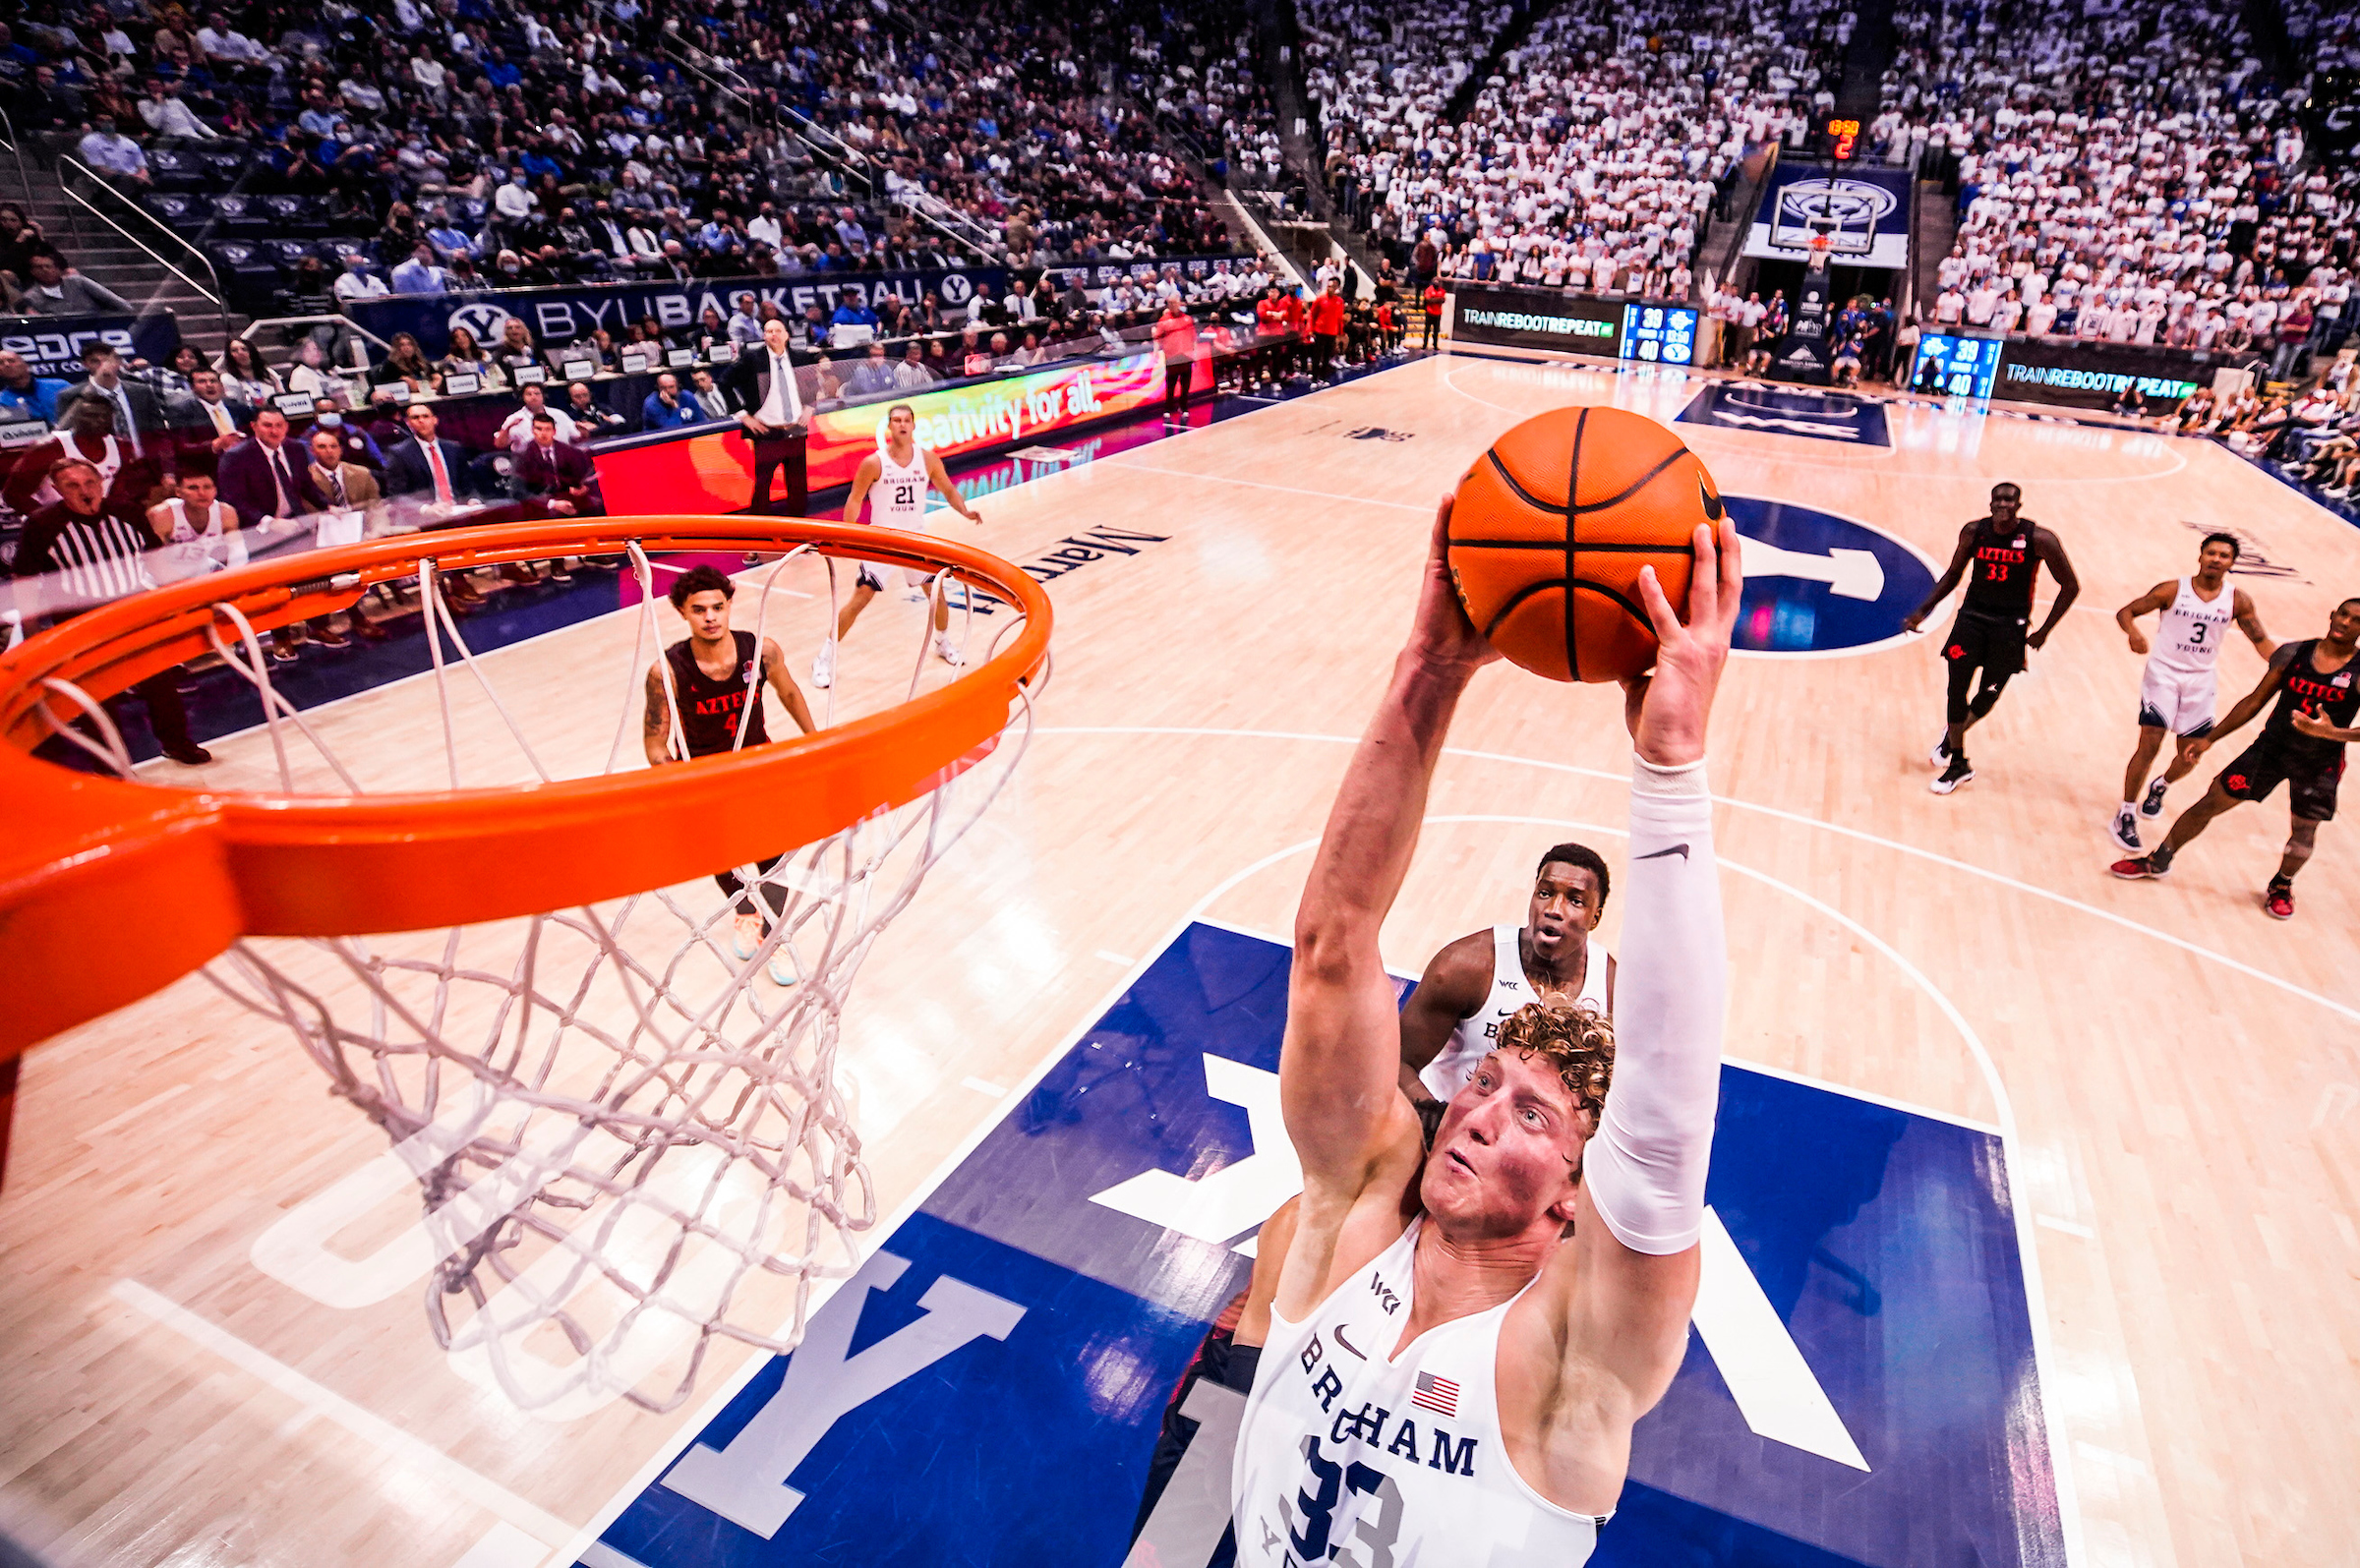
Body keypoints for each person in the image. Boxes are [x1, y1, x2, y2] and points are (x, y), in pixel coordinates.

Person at [1229, 493, 1738, 1565]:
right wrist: (1429, 666)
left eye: (1530, 1109)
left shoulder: (1570, 1365)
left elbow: (1667, 1123)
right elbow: (1333, 947)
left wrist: (1672, 762)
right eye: (1485, 1079)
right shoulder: (1355, 1219)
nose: (1474, 1108)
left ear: (1573, 1187)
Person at [2113, 598, 2360, 918]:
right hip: (2270, 749)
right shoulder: (2294, 653)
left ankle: (2282, 885)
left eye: (2355, 619)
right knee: (2209, 803)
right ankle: (2158, 859)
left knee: (2303, 832)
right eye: (2343, 613)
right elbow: (2255, 700)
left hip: (2319, 763)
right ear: (2332, 614)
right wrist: (2208, 739)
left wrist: (2332, 733)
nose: (2345, 622)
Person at [640, 563, 817, 984]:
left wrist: (815, 742)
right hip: (705, 776)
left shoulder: (761, 651)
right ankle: (744, 914)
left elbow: (789, 692)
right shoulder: (665, 671)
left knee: (774, 856)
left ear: (729, 605)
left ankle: (774, 937)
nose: (711, 617)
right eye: (699, 609)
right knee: (723, 858)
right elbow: (654, 743)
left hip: (760, 767)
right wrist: (681, 780)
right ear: (682, 612)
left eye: (718, 607)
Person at [10, 460, 211, 765]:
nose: (84, 491)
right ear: (57, 490)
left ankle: (177, 743)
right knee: (96, 697)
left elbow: (156, 560)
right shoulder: (42, 524)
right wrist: (31, 631)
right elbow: (25, 579)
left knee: (160, 683)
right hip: (80, 621)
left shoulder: (128, 513)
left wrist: (173, 603)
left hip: (135, 610)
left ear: (101, 482)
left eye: (89, 483)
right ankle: (109, 763)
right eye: (72, 485)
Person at [1398, 843, 1618, 1108]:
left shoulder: (1613, 990)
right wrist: (1437, 1122)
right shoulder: (1468, 966)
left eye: (1575, 900)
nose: (1554, 909)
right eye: (1545, 893)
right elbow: (1399, 1062)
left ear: (1595, 917)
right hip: (1452, 1118)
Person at [1903, 483, 2081, 794]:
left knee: (1987, 696)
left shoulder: (2039, 538)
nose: (2002, 505)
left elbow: (2070, 586)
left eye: (2008, 500)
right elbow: (1953, 574)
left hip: (2010, 627)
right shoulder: (1974, 532)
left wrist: (2044, 630)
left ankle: (1950, 738)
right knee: (1955, 691)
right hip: (1971, 619)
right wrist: (1923, 610)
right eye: (1997, 499)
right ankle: (1959, 762)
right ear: (1989, 504)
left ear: (2019, 505)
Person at [2107, 534, 2275, 852]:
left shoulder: (2238, 600)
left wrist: (2287, 667)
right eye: (2211, 552)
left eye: (2223, 555)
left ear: (2231, 563)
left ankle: (2162, 785)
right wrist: (2133, 633)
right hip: (2164, 674)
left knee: (2192, 753)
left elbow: (2260, 639)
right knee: (2150, 744)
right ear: (2200, 556)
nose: (2216, 559)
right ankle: (2126, 812)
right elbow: (2126, 612)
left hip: (2201, 680)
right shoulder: (2173, 589)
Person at [811, 402, 981, 687]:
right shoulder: (874, 463)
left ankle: (942, 642)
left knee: (937, 594)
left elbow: (948, 488)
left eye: (906, 420)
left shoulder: (927, 460)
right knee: (860, 599)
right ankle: (824, 657)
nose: (901, 424)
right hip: (882, 542)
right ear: (889, 427)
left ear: (914, 426)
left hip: (916, 539)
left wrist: (964, 511)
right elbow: (854, 499)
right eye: (896, 420)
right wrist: (846, 534)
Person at [723, 318, 808, 517]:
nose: (774, 335)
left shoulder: (800, 358)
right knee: (762, 486)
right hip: (767, 430)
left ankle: (800, 531)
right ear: (764, 336)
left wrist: (810, 406)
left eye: (778, 330)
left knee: (798, 486)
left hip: (796, 428)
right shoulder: (753, 359)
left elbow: (812, 383)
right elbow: (724, 382)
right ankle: (758, 534)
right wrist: (744, 416)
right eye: (769, 331)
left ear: (786, 335)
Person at [60, 343, 167, 456]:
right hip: (102, 465)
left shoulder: (141, 391)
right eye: (95, 361)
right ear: (86, 365)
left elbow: (159, 433)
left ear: (118, 362)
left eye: (108, 361)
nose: (103, 366)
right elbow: (67, 438)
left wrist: (168, 468)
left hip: (144, 462)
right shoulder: (72, 396)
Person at [146, 467, 246, 576]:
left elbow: (238, 551)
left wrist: (233, 578)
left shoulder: (226, 513)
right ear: (178, 492)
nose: (202, 493)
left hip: (208, 571)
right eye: (193, 488)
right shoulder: (162, 515)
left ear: (215, 490)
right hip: (168, 577)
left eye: (207, 487)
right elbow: (155, 562)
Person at [511, 413, 598, 516]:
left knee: (595, 505)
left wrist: (582, 487)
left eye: (547, 429)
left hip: (567, 496)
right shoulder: (523, 456)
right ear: (532, 431)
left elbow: (584, 477)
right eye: (539, 429)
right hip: (540, 502)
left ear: (554, 431)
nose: (543, 433)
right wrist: (552, 504)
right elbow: (518, 492)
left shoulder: (568, 451)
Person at [16, 253, 134, 318]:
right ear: (32, 272)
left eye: (48, 266)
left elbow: (121, 305)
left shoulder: (78, 282)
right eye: (39, 267)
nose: (45, 270)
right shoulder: (30, 297)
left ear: (57, 268)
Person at [1153, 299, 1196, 424]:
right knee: (1171, 384)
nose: (1173, 306)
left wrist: (1195, 353)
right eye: (1171, 304)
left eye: (1175, 303)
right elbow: (1157, 338)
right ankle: (1168, 408)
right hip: (1172, 357)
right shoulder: (1164, 320)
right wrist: (1156, 352)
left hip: (1186, 355)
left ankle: (1183, 407)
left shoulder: (1187, 319)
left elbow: (1193, 337)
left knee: (1185, 384)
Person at [0, 349, 71, 424]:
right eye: (1, 363)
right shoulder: (2, 401)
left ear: (25, 365)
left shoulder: (60, 386)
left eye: (11, 361)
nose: (7, 365)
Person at [640, 371, 706, 430]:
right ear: (657, 388)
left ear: (678, 386)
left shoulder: (687, 397)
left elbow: (702, 422)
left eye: (671, 387)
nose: (667, 391)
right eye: (663, 388)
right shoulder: (651, 404)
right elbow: (671, 432)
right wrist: (674, 407)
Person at [1420, 276, 1446, 350]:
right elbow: (1428, 300)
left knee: (1436, 330)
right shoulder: (1429, 289)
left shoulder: (1442, 290)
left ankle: (1435, 345)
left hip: (1438, 313)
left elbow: (1443, 300)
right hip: (1429, 312)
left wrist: (1433, 299)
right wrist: (1438, 299)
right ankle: (1424, 344)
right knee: (1427, 330)